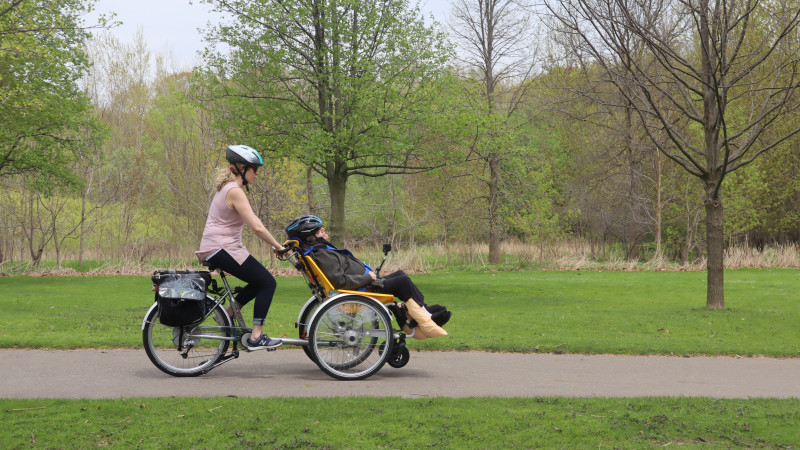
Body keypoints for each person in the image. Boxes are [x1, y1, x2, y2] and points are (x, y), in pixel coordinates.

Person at [284, 215, 451, 339]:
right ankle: (425, 317)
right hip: (360, 289)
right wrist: (368, 277)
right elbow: (340, 281)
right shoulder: (322, 254)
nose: (325, 232)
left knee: (400, 275)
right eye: (322, 230)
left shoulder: (320, 252)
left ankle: (418, 312)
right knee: (402, 281)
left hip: (361, 285)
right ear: (312, 236)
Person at [196, 145, 286, 350]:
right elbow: (256, 227)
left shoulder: (227, 188)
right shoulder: (234, 191)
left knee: (258, 281)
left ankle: (227, 313)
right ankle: (256, 336)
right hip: (223, 248)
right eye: (255, 170)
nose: (257, 174)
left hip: (219, 247)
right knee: (268, 283)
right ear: (243, 168)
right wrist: (278, 246)